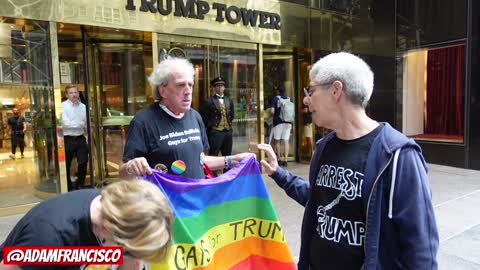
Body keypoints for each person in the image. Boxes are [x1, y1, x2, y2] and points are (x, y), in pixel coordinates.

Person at [258, 52, 439, 270]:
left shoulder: (398, 155)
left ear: (336, 90)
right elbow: (320, 200)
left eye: (311, 90)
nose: (306, 99)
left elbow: (421, 248)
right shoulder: (324, 147)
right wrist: (279, 173)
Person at [120, 58, 251, 180]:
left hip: (196, 200)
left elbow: (199, 161)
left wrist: (232, 160)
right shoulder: (143, 121)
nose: (188, 91)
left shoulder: (195, 116)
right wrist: (131, 167)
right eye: (181, 85)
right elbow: (123, 173)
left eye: (190, 85)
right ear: (162, 91)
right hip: (165, 203)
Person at [0, 179, 173, 270]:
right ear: (111, 229)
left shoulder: (117, 207)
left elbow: (132, 263)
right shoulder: (46, 236)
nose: (132, 257)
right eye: (128, 250)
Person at [62, 85, 88, 191]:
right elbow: (64, 123)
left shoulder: (83, 107)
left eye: (76, 92)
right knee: (66, 164)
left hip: (80, 138)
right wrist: (78, 124)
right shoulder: (62, 106)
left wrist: (75, 124)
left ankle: (80, 184)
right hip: (67, 139)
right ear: (67, 95)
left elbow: (85, 122)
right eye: (71, 93)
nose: (74, 94)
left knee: (83, 162)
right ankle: (67, 185)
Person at [201, 76, 235, 158]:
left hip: (228, 132)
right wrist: (211, 128)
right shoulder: (209, 101)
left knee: (228, 156)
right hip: (216, 133)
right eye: (218, 86)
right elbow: (204, 119)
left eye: (222, 86)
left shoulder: (229, 100)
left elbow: (232, 115)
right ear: (214, 88)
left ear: (224, 87)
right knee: (213, 155)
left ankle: (228, 171)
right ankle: (213, 171)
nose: (220, 87)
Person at [270, 85, 293, 167]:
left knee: (277, 141)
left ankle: (279, 159)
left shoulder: (276, 99)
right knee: (286, 140)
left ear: (278, 91)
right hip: (288, 122)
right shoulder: (288, 98)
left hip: (278, 122)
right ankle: (286, 160)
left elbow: (272, 111)